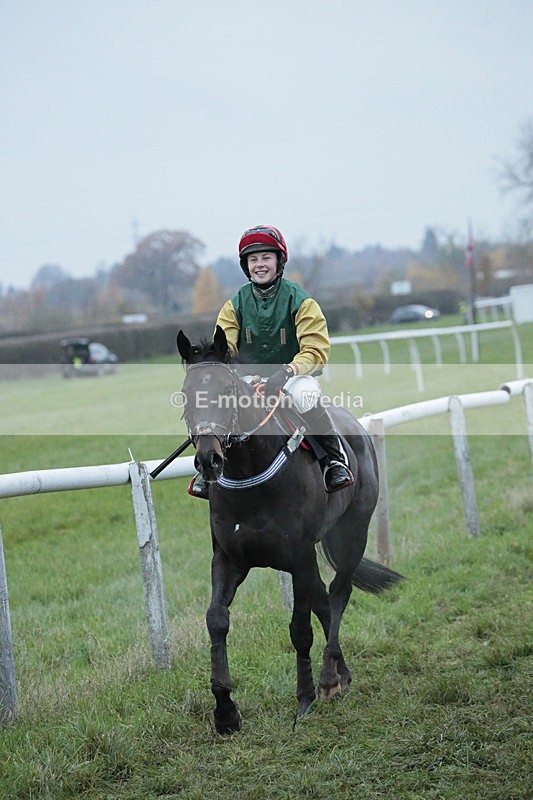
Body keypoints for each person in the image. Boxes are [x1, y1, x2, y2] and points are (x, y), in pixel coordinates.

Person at [191, 224, 354, 499]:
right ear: (246, 266)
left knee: (305, 396)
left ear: (279, 261)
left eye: (266, 257)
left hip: (294, 377)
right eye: (253, 260)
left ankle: (333, 461)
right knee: (216, 400)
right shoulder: (234, 304)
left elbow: (316, 349)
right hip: (247, 380)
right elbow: (225, 349)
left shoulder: (301, 300)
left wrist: (286, 371)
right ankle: (208, 469)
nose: (259, 265)